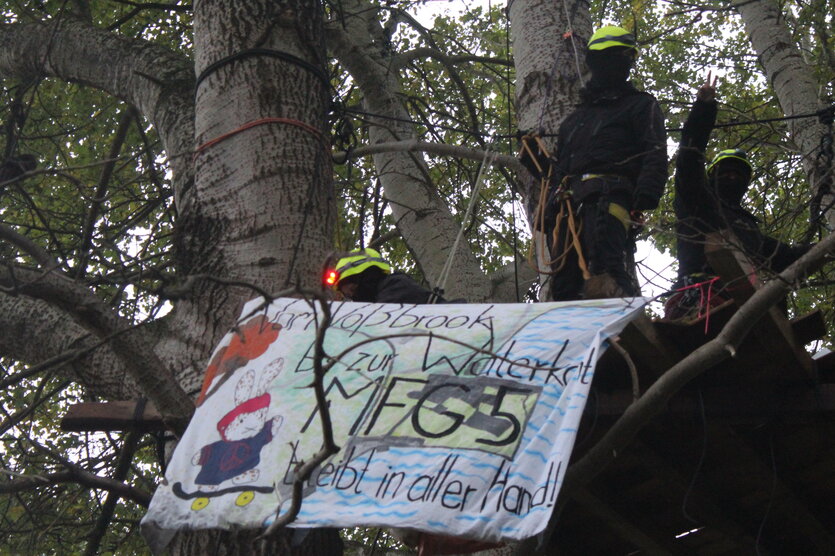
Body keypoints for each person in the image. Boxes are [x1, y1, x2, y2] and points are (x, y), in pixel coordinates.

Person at [526, 25, 667, 301]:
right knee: (564, 284)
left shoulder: (640, 105)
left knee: (607, 268)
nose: (615, 65)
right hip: (570, 205)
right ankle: (569, 337)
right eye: (608, 58)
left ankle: (623, 334)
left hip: (610, 196)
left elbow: (655, 151)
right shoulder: (575, 121)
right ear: (594, 62)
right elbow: (560, 172)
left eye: (622, 59)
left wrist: (645, 195)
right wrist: (537, 160)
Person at [666, 76, 810, 319]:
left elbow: (788, 257)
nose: (732, 177)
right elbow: (689, 158)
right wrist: (703, 108)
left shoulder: (749, 231)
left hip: (748, 308)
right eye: (726, 172)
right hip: (702, 299)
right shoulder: (697, 203)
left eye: (738, 174)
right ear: (712, 177)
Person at [326, 247, 444, 304]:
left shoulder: (395, 286)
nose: (352, 296)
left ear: (363, 276)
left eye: (352, 289)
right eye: (347, 295)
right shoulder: (380, 295)